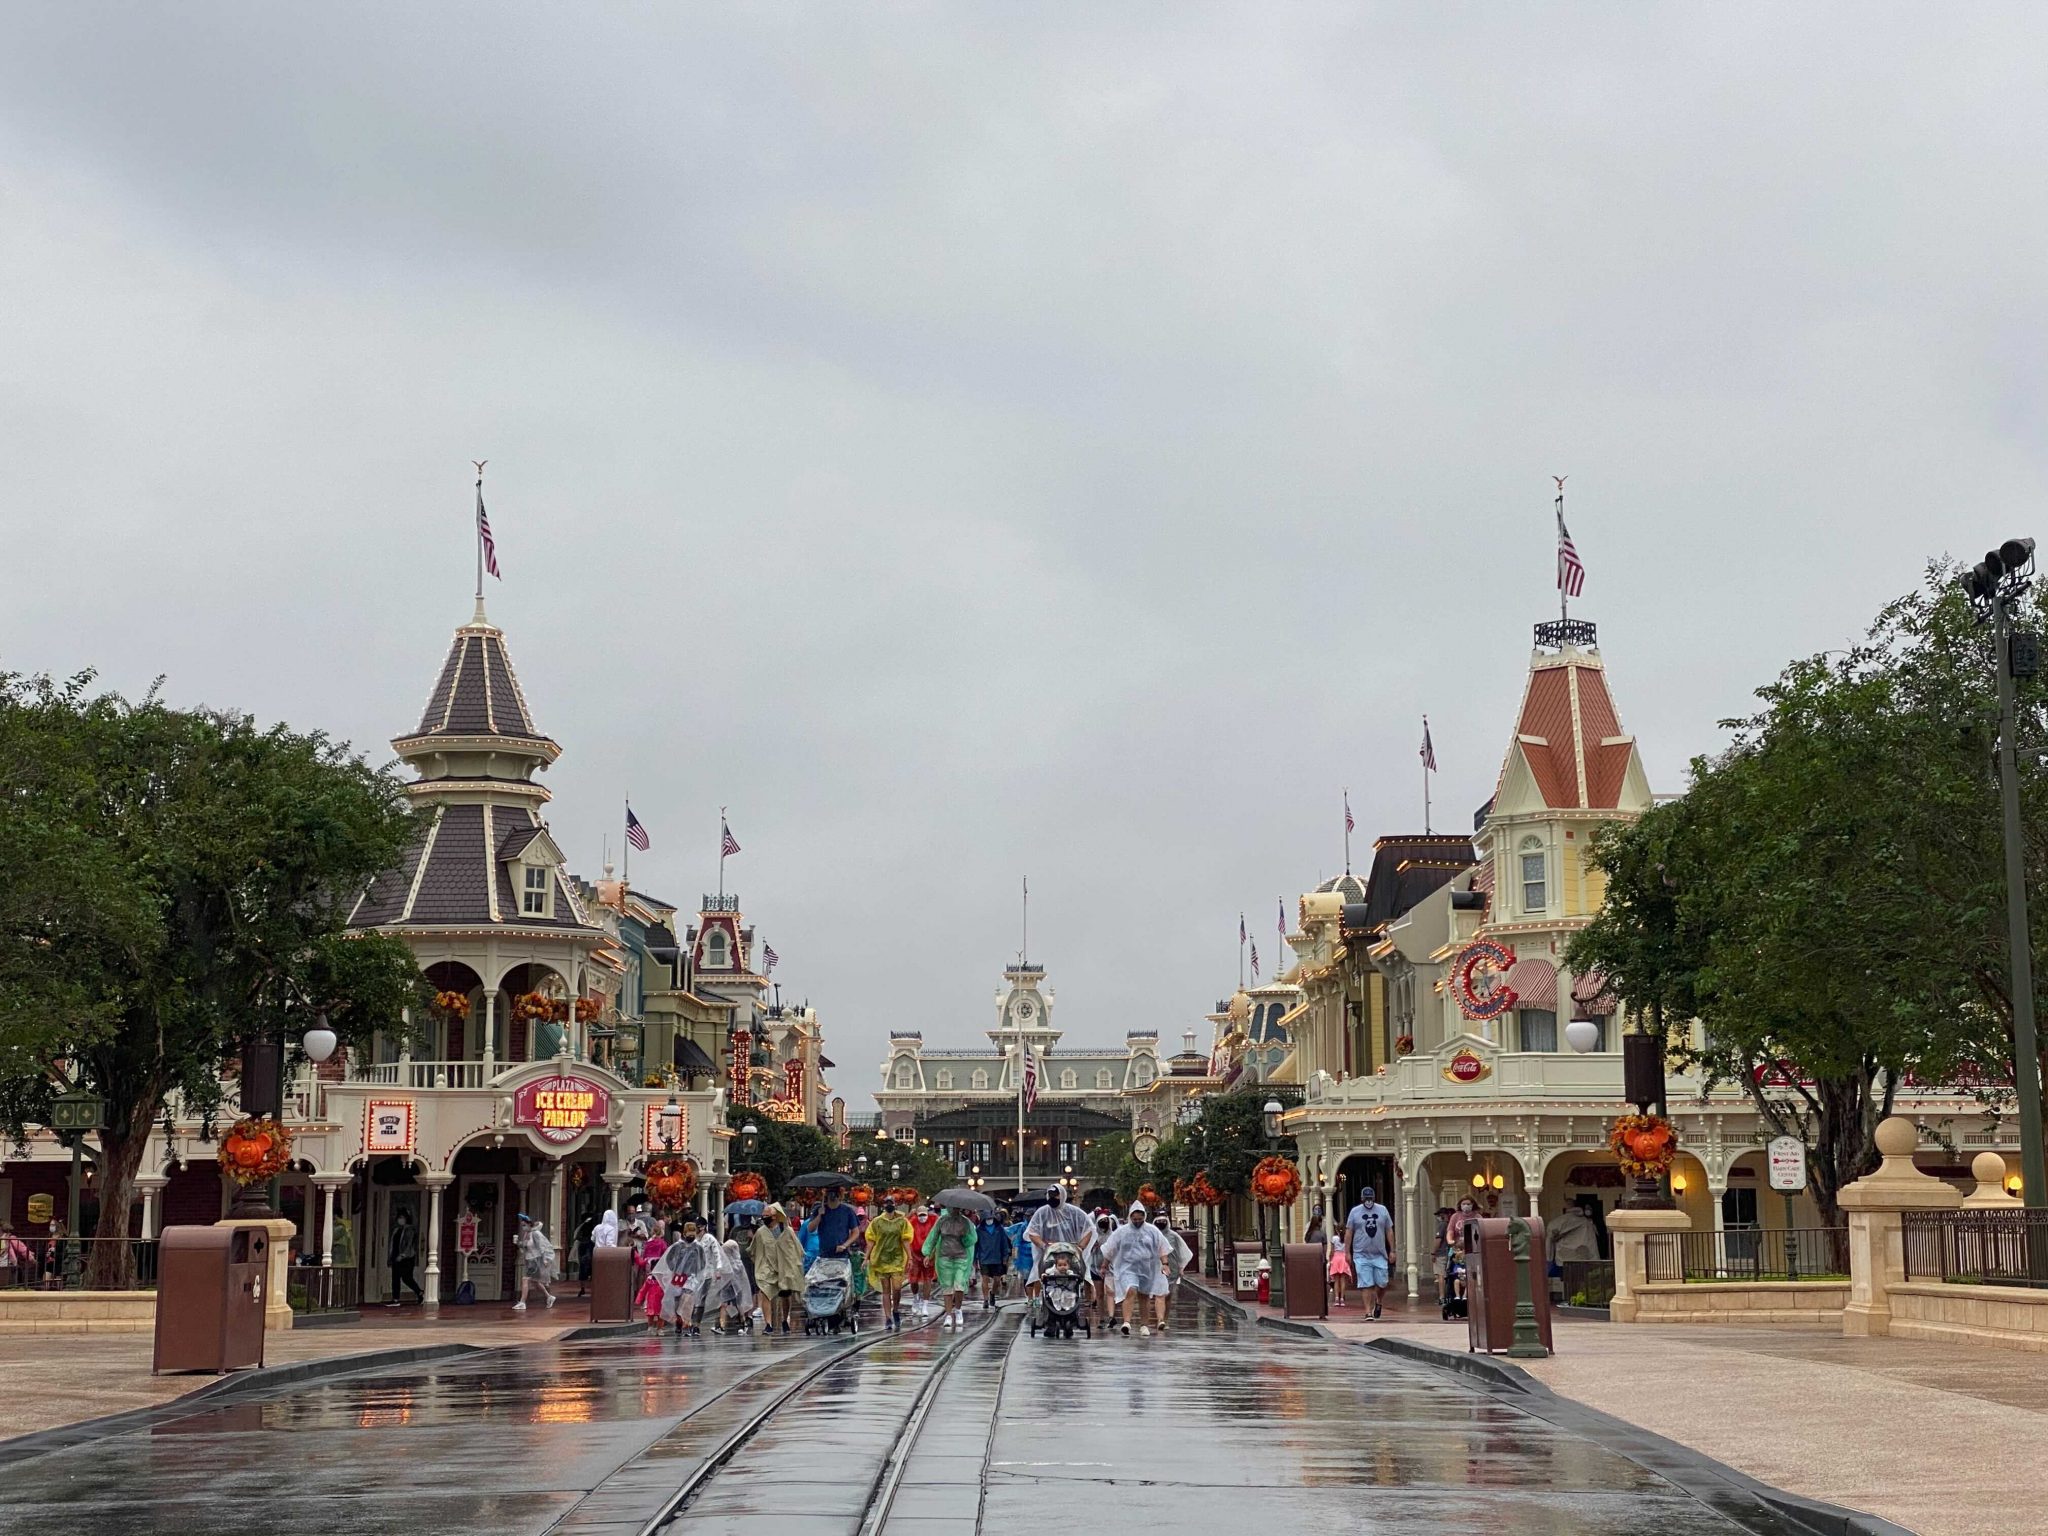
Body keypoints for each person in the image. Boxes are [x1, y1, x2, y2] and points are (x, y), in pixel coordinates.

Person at [1101, 1202, 1172, 1337]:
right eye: (1135, 1219)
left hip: (1147, 1268)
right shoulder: (1122, 1232)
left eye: (1140, 1219)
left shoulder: (1152, 1231)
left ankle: (1144, 1325)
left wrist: (1165, 1263)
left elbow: (1162, 1248)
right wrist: (1104, 1265)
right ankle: (1127, 1322)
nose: (1137, 1222)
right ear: (1130, 1218)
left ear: (1144, 1217)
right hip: (1127, 1268)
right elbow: (1110, 1249)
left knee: (1144, 1296)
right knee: (1131, 1290)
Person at [1023, 1185, 1092, 1300]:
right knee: (1042, 1275)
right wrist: (1044, 1246)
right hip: (1049, 1254)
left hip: (1071, 1253)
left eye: (1056, 1195)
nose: (1053, 1198)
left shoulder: (1074, 1212)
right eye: (1050, 1195)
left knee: (1075, 1276)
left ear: (1062, 1195)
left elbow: (1088, 1229)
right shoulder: (1042, 1213)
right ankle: (1040, 1299)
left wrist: (1080, 1247)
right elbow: (1032, 1232)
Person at [1344, 1185, 1396, 1321]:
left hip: (1379, 1254)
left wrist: (1392, 1250)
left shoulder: (1382, 1210)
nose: (1368, 1200)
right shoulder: (1355, 1212)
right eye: (1366, 1198)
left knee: (1382, 1282)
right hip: (1361, 1254)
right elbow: (1349, 1232)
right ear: (1362, 1198)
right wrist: (1347, 1252)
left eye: (1370, 1198)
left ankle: (1378, 1301)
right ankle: (1368, 1312)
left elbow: (1389, 1230)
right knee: (1366, 1283)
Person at [923, 1202, 978, 1331]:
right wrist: (928, 1254)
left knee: (959, 1286)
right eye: (952, 1207)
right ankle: (948, 1315)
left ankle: (958, 1309)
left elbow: (973, 1239)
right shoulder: (941, 1221)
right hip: (944, 1257)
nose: (954, 1209)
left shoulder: (966, 1223)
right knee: (947, 1288)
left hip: (961, 1258)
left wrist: (965, 1235)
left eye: (957, 1207)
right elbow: (933, 1237)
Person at [752, 1204, 807, 1333]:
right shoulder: (761, 1233)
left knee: (785, 1296)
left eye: (767, 1216)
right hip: (767, 1268)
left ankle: (784, 1319)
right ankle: (768, 1324)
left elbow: (796, 1248)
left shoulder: (787, 1231)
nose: (764, 1218)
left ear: (775, 1217)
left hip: (784, 1268)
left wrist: (796, 1264)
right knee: (765, 1293)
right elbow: (755, 1250)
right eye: (763, 1216)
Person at [864, 1195, 914, 1331]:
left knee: (897, 1288)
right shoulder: (877, 1222)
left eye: (890, 1202)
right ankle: (887, 1318)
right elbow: (871, 1240)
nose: (888, 1205)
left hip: (897, 1258)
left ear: (895, 1204)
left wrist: (909, 1258)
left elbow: (905, 1240)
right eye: (886, 1203)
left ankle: (895, 1310)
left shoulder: (902, 1222)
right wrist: (866, 1258)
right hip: (881, 1259)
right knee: (886, 1291)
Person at [1151, 1214, 1193, 1332]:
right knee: (1160, 1294)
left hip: (1172, 1269)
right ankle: (1159, 1319)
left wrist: (1181, 1267)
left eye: (1163, 1221)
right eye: (1158, 1221)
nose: (1161, 1223)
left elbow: (1181, 1251)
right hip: (1156, 1268)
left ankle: (1165, 1318)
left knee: (1168, 1295)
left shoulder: (1174, 1236)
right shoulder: (1152, 1235)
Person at [513, 1213, 559, 1312]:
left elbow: (543, 1246)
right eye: (522, 1226)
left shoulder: (536, 1233)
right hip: (530, 1260)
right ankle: (549, 1296)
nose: (523, 1228)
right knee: (535, 1282)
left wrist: (545, 1259)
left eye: (524, 1225)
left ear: (530, 1224)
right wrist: (517, 1243)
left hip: (535, 1261)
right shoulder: (527, 1234)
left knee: (525, 1279)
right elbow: (525, 1246)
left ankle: (522, 1302)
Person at [635, 1222, 672, 1333]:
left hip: (648, 1264)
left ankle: (646, 1304)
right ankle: (659, 1328)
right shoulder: (662, 1243)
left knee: (647, 1284)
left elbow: (644, 1253)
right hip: (658, 1264)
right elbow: (666, 1255)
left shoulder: (648, 1242)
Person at [905, 1201, 938, 1318]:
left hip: (928, 1255)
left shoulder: (934, 1220)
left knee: (928, 1280)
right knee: (913, 1280)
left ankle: (925, 1305)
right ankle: (915, 1298)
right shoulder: (912, 1222)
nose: (923, 1217)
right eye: (920, 1215)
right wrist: (910, 1214)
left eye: (925, 1215)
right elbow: (903, 1226)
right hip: (914, 1255)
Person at [386, 1207, 424, 1308]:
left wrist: (402, 1255)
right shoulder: (396, 1230)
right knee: (395, 1278)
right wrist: (391, 1256)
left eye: (402, 1217)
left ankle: (420, 1292)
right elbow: (392, 1244)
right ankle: (395, 1299)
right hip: (395, 1257)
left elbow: (409, 1244)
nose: (400, 1220)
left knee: (407, 1278)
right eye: (399, 1218)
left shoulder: (410, 1230)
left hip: (406, 1259)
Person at [974, 1211, 1012, 1308]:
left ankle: (992, 1294)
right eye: (987, 1219)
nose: (989, 1220)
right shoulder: (979, 1230)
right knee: (984, 1279)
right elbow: (976, 1245)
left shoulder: (999, 1229)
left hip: (997, 1258)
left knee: (997, 1280)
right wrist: (974, 1259)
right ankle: (985, 1299)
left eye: (991, 1218)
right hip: (984, 1258)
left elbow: (1004, 1243)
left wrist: (1005, 1256)